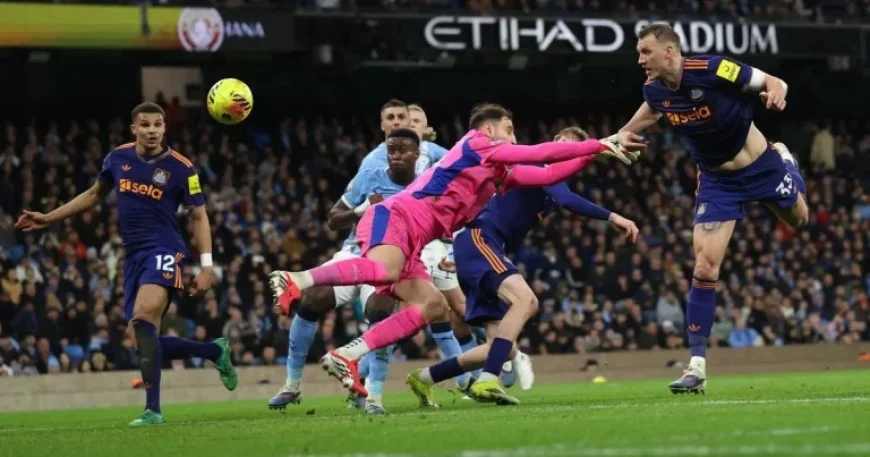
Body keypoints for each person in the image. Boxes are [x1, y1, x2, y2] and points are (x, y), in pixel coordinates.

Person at [270, 103, 644, 398]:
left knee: (432, 308)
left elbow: (546, 174)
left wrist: (596, 153)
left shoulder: (499, 172)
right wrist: (599, 143)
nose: (513, 138)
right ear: (489, 130)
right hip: (398, 215)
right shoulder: (476, 143)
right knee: (383, 271)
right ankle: (297, 279)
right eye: (509, 130)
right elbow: (537, 153)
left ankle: (347, 355)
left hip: (419, 237)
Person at [15, 102, 237, 425]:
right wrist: (48, 218)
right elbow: (94, 194)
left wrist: (206, 266)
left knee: (145, 315)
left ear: (164, 128)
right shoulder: (117, 159)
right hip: (132, 255)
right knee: (143, 339)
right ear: (134, 128)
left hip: (164, 249)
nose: (151, 130)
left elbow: (199, 215)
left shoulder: (181, 168)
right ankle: (214, 352)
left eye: (157, 125)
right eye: (145, 125)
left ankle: (153, 410)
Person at [616, 23, 806, 394]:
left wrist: (775, 93)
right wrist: (621, 135)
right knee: (704, 265)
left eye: (645, 52)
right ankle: (697, 366)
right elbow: (647, 116)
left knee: (799, 220)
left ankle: (789, 164)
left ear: (669, 52)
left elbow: (773, 81)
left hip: (762, 167)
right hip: (718, 182)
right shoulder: (654, 90)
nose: (640, 59)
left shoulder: (716, 69)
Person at [407, 126, 640, 405]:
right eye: (562, 144)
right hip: (480, 238)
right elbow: (568, 199)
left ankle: (425, 377)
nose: (564, 151)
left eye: (571, 149)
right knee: (526, 300)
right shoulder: (537, 163)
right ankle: (487, 381)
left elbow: (565, 196)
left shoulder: (553, 186)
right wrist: (614, 216)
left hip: (481, 246)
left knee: (500, 350)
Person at [268, 128, 422, 415]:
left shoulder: (424, 187)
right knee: (312, 299)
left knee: (380, 312)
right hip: (354, 253)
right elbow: (333, 220)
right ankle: (292, 385)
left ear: (417, 154)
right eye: (392, 150)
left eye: (403, 150)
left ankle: (374, 397)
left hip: (389, 263)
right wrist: (360, 210)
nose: (396, 155)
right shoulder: (369, 176)